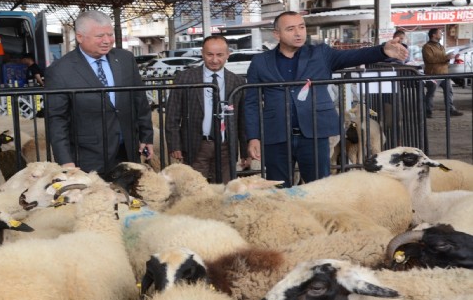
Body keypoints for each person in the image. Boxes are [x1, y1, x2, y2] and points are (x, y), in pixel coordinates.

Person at [244, 11, 408, 187]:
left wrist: (382, 50)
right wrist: (253, 137)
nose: (298, 33)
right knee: (277, 189)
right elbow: (251, 103)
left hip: (314, 133)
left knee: (320, 188)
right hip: (276, 135)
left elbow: (353, 56)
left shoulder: (320, 54)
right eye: (290, 29)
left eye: (301, 27)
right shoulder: (260, 62)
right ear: (277, 34)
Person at [45, 10, 154, 175]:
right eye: (100, 36)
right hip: (88, 157)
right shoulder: (60, 70)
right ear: (80, 37)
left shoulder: (125, 59)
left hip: (127, 151)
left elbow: (139, 100)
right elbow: (57, 120)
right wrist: (65, 161)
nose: (107, 41)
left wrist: (146, 137)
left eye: (110, 35)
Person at [165, 35, 249, 183]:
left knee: (225, 191)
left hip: (226, 146)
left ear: (228, 54)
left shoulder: (237, 81)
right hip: (196, 145)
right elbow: (172, 115)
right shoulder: (185, 78)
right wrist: (174, 145)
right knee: (194, 192)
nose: (215, 60)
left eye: (220, 55)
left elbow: (242, 120)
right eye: (210, 54)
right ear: (202, 53)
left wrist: (244, 151)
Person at [422, 28, 464, 118]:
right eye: (440, 33)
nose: (441, 34)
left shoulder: (440, 46)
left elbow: (443, 58)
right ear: (433, 35)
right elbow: (430, 59)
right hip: (433, 74)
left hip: (444, 73)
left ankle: (450, 110)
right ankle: (427, 111)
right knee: (431, 93)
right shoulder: (427, 47)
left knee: (449, 92)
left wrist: (450, 58)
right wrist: (446, 58)